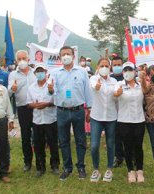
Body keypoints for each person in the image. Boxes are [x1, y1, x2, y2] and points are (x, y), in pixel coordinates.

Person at [48, 46, 92, 181]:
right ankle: (67, 168)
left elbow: (87, 90)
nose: (65, 56)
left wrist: (89, 109)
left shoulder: (82, 71)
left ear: (73, 56)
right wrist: (50, 90)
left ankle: (81, 167)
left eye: (68, 54)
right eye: (63, 54)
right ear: (60, 57)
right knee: (64, 141)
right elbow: (52, 92)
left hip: (78, 111)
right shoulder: (55, 72)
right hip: (61, 111)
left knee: (80, 140)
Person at [114, 61, 145, 183]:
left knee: (138, 146)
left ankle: (140, 170)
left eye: (130, 70)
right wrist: (118, 93)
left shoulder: (140, 84)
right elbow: (115, 94)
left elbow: (146, 93)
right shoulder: (119, 84)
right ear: (122, 72)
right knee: (127, 147)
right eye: (125, 70)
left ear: (134, 71)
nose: (128, 72)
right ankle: (130, 170)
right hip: (124, 120)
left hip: (139, 120)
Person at [26, 63, 59, 177]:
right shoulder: (31, 88)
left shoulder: (52, 86)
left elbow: (56, 101)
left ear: (46, 73)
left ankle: (55, 165)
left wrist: (47, 104)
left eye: (42, 71)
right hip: (37, 120)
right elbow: (28, 103)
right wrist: (35, 105)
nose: (40, 73)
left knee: (53, 143)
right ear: (35, 74)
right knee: (38, 145)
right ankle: (40, 167)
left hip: (51, 119)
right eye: (38, 71)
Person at [88, 58, 117, 182]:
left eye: (106, 65)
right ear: (98, 67)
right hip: (96, 117)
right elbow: (94, 86)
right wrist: (97, 86)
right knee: (94, 145)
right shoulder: (93, 79)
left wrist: (118, 93)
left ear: (110, 67)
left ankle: (109, 169)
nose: (104, 67)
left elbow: (116, 95)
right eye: (102, 65)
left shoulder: (114, 81)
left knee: (110, 144)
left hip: (111, 117)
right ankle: (96, 169)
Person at [8, 50, 36, 172]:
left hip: (36, 107)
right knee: (25, 136)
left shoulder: (35, 73)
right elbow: (8, 92)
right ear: (16, 61)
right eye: (19, 59)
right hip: (22, 108)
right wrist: (12, 88)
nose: (22, 61)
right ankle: (27, 162)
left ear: (28, 59)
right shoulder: (13, 75)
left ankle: (40, 161)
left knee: (39, 135)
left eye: (24, 58)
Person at [109, 56, 125, 168]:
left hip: (127, 112)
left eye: (119, 65)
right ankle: (118, 157)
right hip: (114, 112)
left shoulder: (128, 78)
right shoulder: (109, 79)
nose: (117, 67)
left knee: (129, 136)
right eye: (115, 65)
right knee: (116, 137)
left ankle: (132, 156)